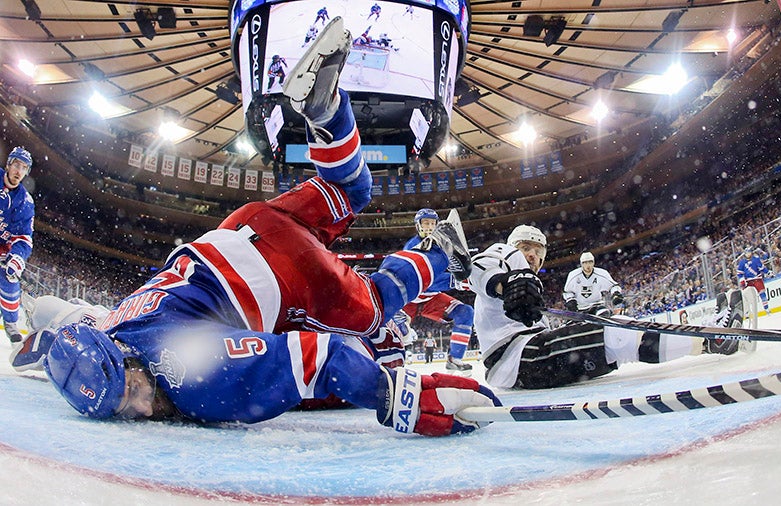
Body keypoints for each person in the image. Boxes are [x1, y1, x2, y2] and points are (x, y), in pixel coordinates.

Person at [35, 18, 499, 436]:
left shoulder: (185, 374)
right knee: (352, 191)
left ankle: (439, 255)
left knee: (375, 308)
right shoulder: (108, 325)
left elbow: (321, 357)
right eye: (124, 407)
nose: (141, 408)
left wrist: (408, 401)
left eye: (131, 389)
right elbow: (58, 323)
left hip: (283, 275)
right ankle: (328, 112)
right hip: (243, 226)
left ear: (128, 361)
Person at [467, 225, 745, 389]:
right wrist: (503, 284)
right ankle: (712, 340)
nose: (533, 255)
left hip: (525, 359)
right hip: (514, 361)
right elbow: (478, 269)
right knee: (612, 334)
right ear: (513, 246)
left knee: (613, 332)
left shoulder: (529, 284)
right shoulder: (504, 255)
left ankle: (706, 337)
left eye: (539, 252)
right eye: (527, 247)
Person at [402, 208, 474, 373]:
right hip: (408, 300)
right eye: (426, 222)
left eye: (433, 223)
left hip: (430, 299)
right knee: (399, 333)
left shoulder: (442, 246)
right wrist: (455, 281)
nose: (429, 226)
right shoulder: (413, 247)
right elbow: (424, 281)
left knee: (465, 312)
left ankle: (455, 359)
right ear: (417, 225)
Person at [1, 146, 35, 345]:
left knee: (10, 280)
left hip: (4, 250)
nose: (19, 171)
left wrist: (16, 258)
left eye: (24, 168)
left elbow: (24, 237)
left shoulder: (25, 201)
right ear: (8, 164)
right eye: (16, 165)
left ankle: (11, 323)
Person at [562, 251, 623, 316]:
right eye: (585, 263)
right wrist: (570, 300)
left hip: (597, 306)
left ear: (593, 262)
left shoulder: (602, 273)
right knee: (573, 320)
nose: (588, 265)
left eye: (590, 262)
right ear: (581, 264)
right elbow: (567, 292)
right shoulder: (573, 275)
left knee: (603, 313)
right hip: (579, 308)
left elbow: (613, 286)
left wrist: (616, 293)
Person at [736, 246, 771, 314]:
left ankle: (766, 308)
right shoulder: (742, 262)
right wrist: (742, 280)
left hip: (757, 279)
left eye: (749, 252)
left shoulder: (756, 259)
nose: (748, 254)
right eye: (746, 253)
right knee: (746, 296)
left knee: (762, 293)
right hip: (748, 282)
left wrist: (767, 272)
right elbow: (739, 273)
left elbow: (762, 268)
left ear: (751, 253)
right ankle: (747, 311)